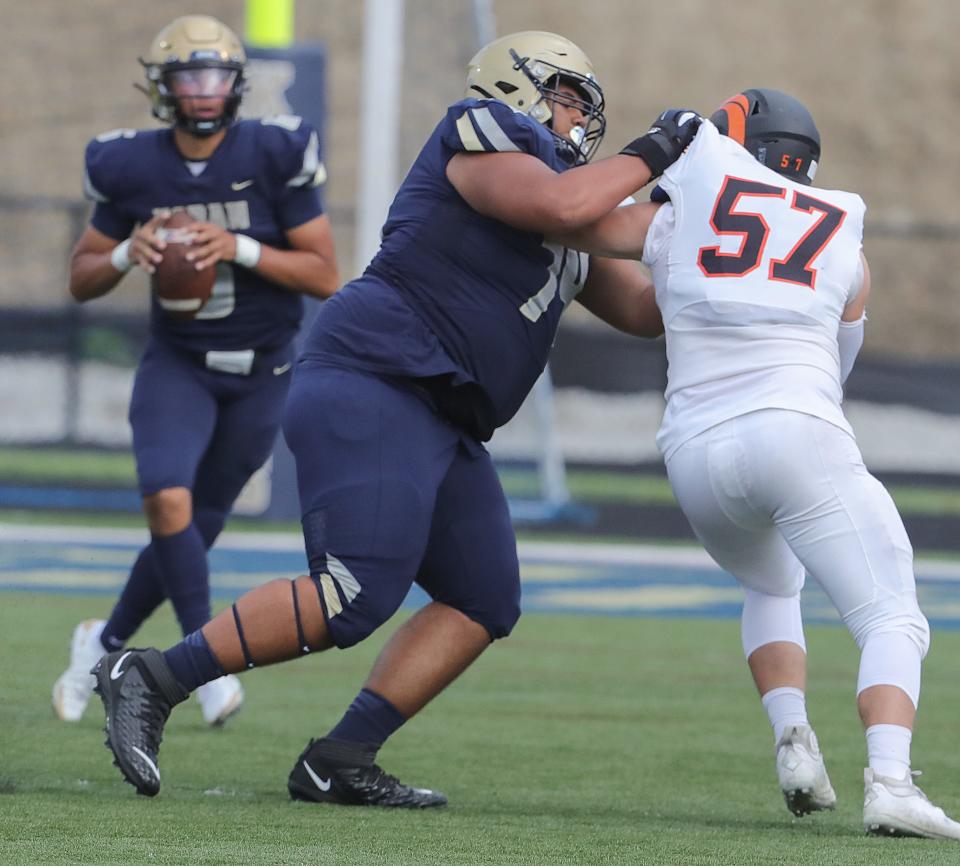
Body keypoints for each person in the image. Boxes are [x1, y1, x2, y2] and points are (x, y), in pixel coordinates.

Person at [88, 30, 697, 804]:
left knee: (483, 597)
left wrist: (733, 254)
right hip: (378, 376)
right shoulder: (481, 134)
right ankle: (152, 675)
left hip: (443, 411)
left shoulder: (568, 226)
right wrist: (661, 150)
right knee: (351, 593)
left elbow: (645, 306)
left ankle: (338, 757)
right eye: (568, 98)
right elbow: (567, 201)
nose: (578, 119)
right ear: (516, 88)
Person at [549, 87, 960, 840]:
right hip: (795, 426)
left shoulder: (675, 218)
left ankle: (793, 738)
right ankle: (893, 782)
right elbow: (838, 367)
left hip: (693, 453)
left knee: (771, 580)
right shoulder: (844, 242)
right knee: (890, 612)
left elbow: (571, 218)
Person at [53, 15, 339, 728]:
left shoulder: (275, 151)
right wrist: (128, 254)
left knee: (193, 527)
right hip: (178, 362)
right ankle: (200, 668)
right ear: (163, 86)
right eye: (188, 76)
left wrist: (235, 245)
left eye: (214, 76)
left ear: (236, 85)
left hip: (263, 369)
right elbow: (82, 276)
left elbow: (325, 273)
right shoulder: (130, 166)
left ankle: (104, 642)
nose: (203, 91)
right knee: (166, 502)